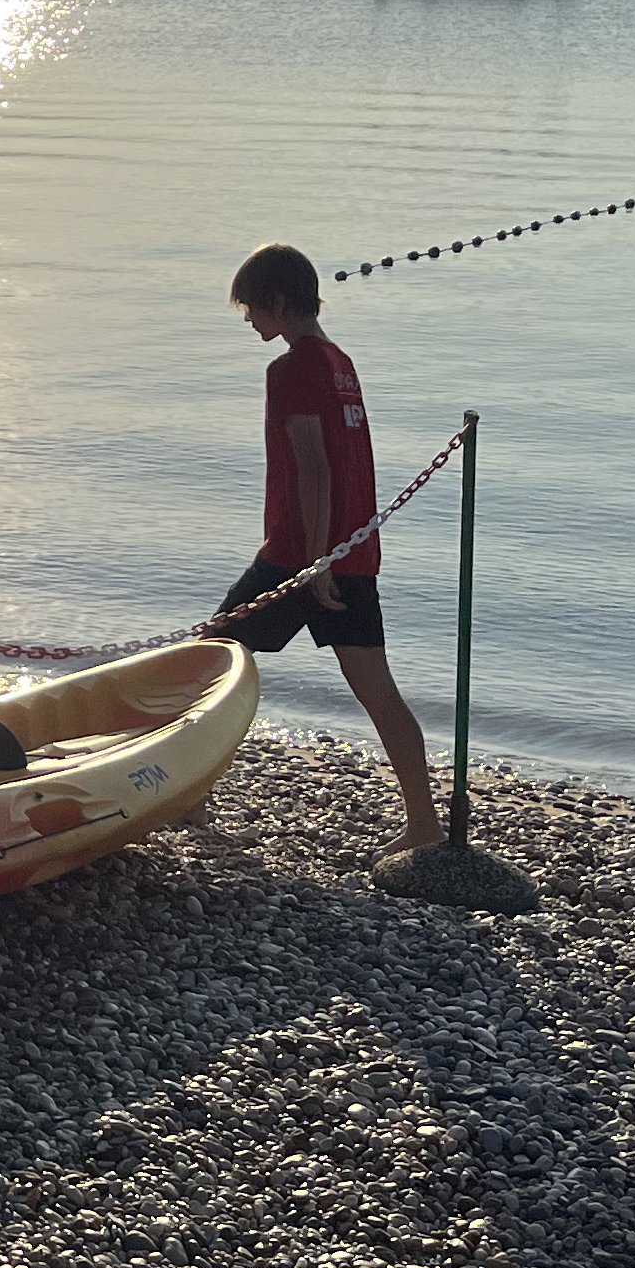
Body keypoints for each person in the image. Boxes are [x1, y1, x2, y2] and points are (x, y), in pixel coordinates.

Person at [220, 242, 440, 858]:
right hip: (356, 554)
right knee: (379, 692)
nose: (249, 323)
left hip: (298, 556)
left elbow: (314, 470)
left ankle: (184, 797)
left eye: (252, 310)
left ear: (279, 303)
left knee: (207, 660)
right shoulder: (340, 362)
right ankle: (424, 824)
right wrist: (335, 560)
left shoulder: (290, 370)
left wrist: (314, 565)